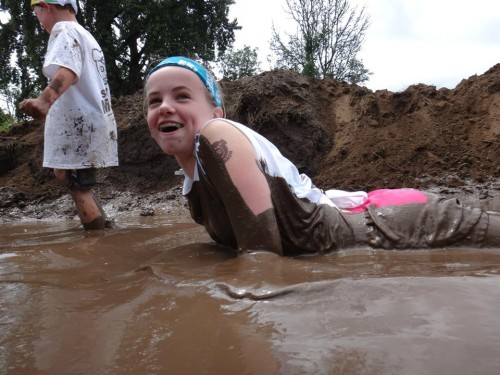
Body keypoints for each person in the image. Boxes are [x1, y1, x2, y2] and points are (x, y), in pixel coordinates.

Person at [144, 56, 500, 256]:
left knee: (482, 231)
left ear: (217, 111)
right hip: (370, 215)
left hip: (388, 226)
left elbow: (261, 257)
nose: (165, 107)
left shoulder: (217, 134)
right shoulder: (192, 183)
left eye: (182, 96)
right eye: (154, 101)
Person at [19, 0, 119, 230]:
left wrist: (44, 101)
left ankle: (95, 241)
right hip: (92, 120)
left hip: (79, 123)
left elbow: (68, 71)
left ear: (46, 7)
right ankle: (104, 225)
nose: (39, 21)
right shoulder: (85, 35)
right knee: (66, 174)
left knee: (78, 185)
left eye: (36, 14)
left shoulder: (63, 31)